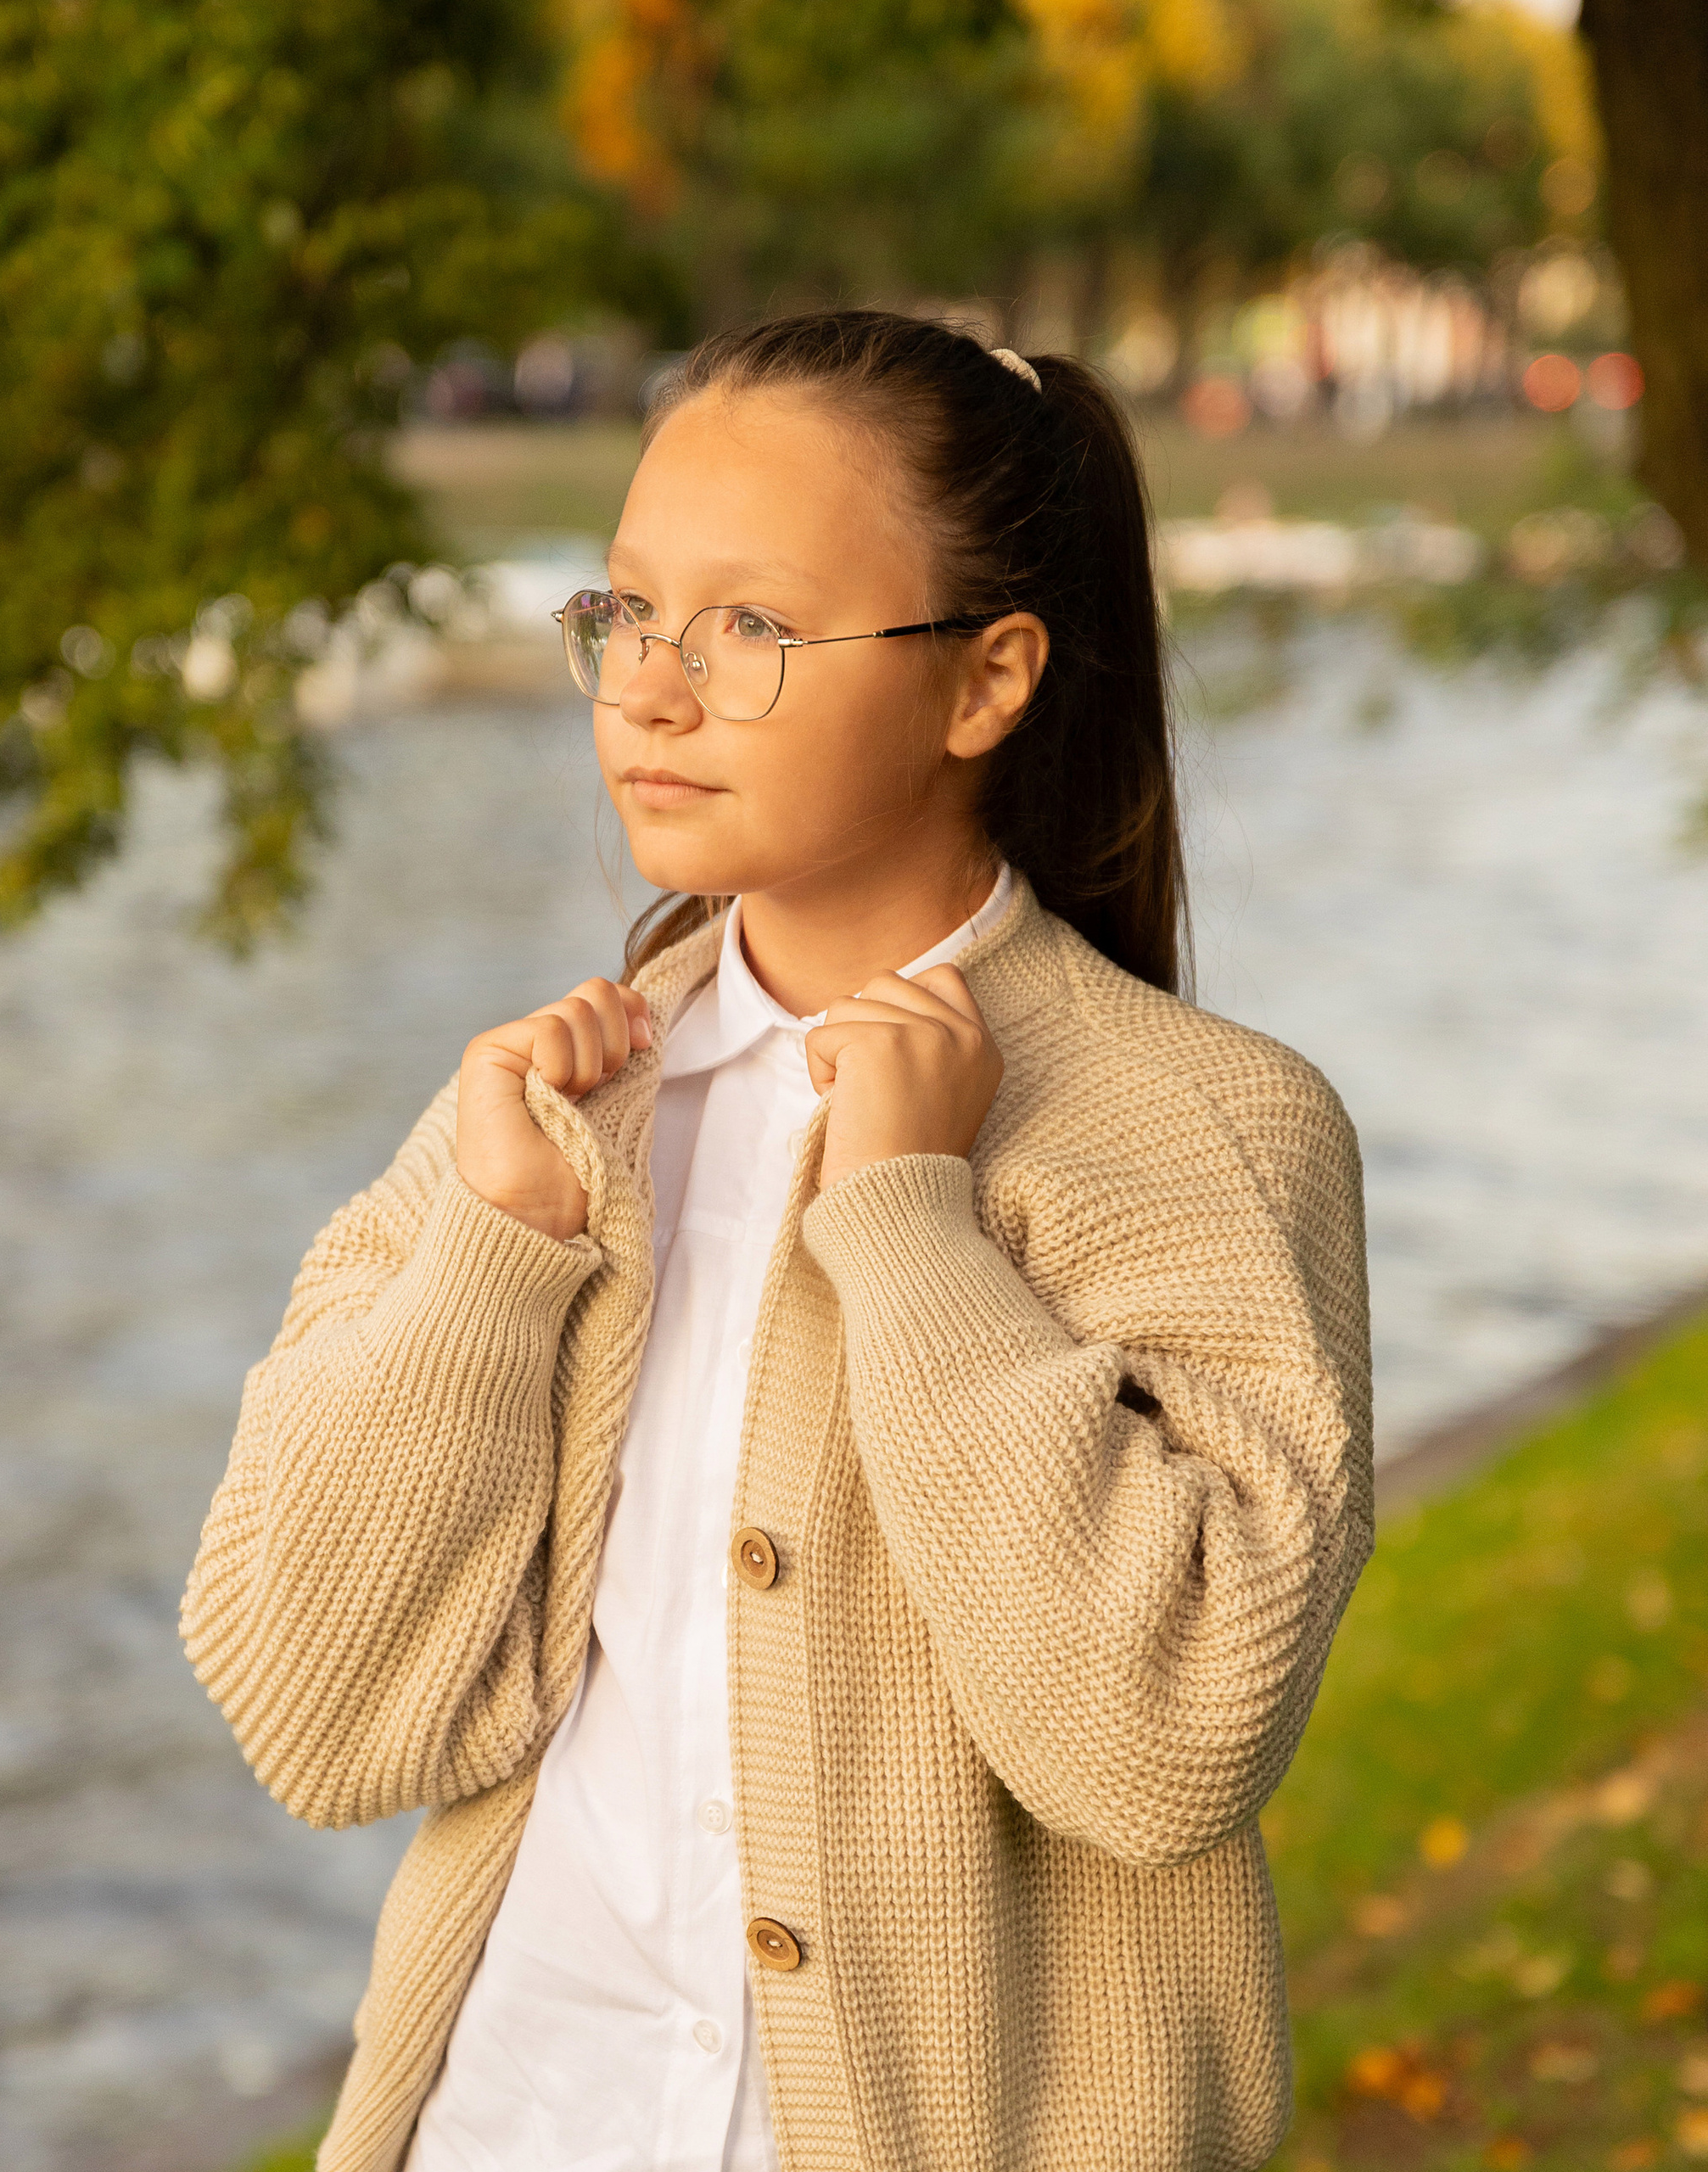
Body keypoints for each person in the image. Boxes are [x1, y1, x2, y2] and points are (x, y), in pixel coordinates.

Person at [182, 309, 1374, 2172]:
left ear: (984, 681)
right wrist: (495, 1254)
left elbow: (1159, 1739)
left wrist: (912, 1230)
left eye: (748, 628)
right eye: (627, 611)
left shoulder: (1212, 1129)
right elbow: (318, 1715)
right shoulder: (533, 1117)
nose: (649, 689)